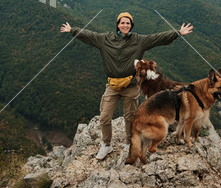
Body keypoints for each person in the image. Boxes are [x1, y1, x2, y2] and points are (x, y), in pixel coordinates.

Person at [60, 12, 193, 160]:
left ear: (131, 25)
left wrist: (177, 33)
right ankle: (106, 145)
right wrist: (72, 30)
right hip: (112, 85)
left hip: (130, 85)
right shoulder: (105, 39)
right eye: (122, 23)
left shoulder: (139, 41)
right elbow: (88, 35)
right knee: (104, 117)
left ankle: (129, 142)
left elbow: (157, 38)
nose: (125, 25)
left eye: (128, 23)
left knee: (130, 117)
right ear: (117, 24)